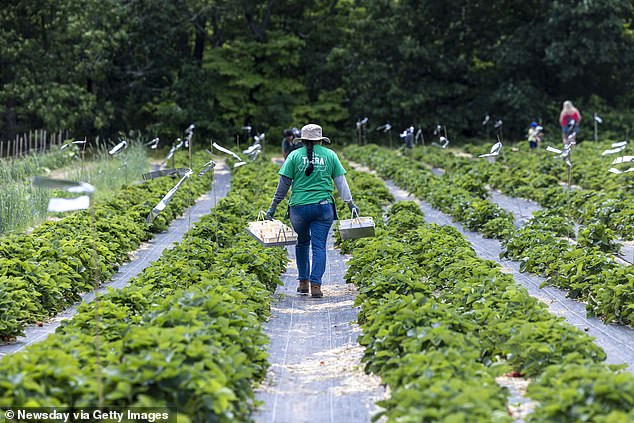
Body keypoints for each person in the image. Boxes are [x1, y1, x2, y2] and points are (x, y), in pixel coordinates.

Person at [265, 123, 359, 298]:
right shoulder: (330, 155)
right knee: (319, 246)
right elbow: (341, 183)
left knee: (301, 244)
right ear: (320, 141)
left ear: (303, 140)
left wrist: (272, 207)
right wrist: (350, 204)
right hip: (323, 208)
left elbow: (283, 186)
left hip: (298, 208)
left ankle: (303, 283)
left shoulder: (293, 156)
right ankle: (316, 286)